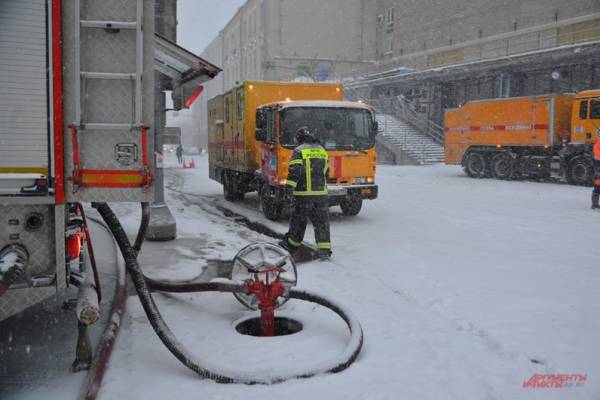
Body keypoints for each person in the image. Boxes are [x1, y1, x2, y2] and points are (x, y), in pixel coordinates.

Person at [279, 127, 332, 260]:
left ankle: (291, 246)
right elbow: (327, 173)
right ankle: (324, 250)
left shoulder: (299, 151)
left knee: (299, 221)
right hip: (321, 195)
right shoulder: (322, 150)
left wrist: (288, 191)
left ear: (300, 138)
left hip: (304, 196)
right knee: (321, 223)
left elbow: (295, 173)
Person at [592, 132, 600, 209]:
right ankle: (595, 203)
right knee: (598, 184)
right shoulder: (597, 145)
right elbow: (597, 153)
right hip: (598, 165)